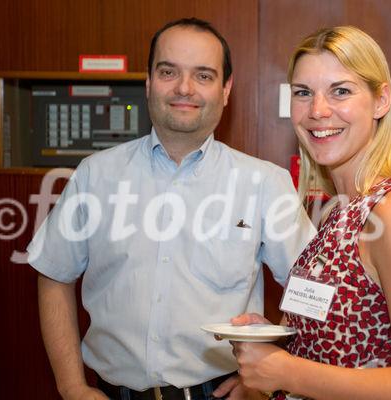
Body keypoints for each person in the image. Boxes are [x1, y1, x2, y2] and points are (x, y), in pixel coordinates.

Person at [27, 17, 314, 400]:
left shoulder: (264, 183)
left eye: (204, 76)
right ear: (148, 82)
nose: (184, 88)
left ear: (226, 89)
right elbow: (54, 274)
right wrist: (71, 387)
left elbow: (313, 290)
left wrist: (273, 367)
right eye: (168, 72)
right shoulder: (96, 175)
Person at [227, 26, 391, 399]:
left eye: (341, 91)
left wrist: (285, 371)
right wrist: (276, 339)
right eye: (303, 93)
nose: (318, 111)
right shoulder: (340, 208)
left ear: (381, 100)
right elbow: (342, 343)